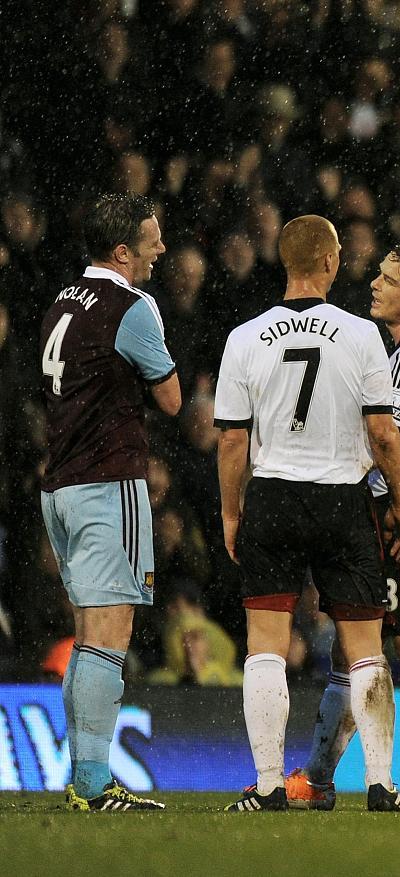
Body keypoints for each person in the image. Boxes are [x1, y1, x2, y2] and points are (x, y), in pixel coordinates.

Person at [214, 215, 400, 812]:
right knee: (365, 648)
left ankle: (270, 787)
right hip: (341, 497)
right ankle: (380, 785)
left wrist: (232, 513)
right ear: (331, 262)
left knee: (266, 645)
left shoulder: (244, 338)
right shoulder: (360, 335)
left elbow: (230, 441)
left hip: (273, 494)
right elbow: (383, 432)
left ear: (284, 262)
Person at [284, 242, 400, 813]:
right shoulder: (394, 349)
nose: (375, 284)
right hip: (380, 507)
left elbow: (384, 437)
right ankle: (317, 780)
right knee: (352, 648)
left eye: (390, 280)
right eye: (379, 274)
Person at [39, 193, 177, 811]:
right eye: (152, 240)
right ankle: (93, 784)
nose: (161, 249)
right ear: (123, 251)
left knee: (87, 632)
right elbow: (171, 399)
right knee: (109, 634)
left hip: (60, 486)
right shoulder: (132, 306)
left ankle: (84, 776)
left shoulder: (61, 302)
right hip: (107, 482)